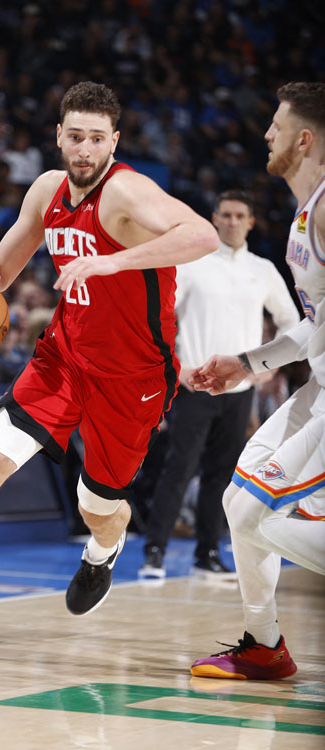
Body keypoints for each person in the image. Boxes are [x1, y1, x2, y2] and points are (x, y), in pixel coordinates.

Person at [0, 81, 218, 646]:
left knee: (98, 504)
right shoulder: (47, 191)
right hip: (63, 357)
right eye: (75, 136)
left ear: (114, 142)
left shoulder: (127, 192)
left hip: (132, 376)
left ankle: (103, 550)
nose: (85, 149)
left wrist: (112, 264)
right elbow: (2, 266)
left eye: (97, 139)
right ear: (58, 136)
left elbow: (202, 235)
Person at [190, 82, 325, 680]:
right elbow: (315, 324)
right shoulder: (306, 213)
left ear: (305, 139)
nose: (267, 134)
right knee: (236, 503)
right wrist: (249, 362)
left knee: (251, 514)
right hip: (316, 389)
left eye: (278, 125)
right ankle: (264, 645)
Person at [139, 190, 299, 580]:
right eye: (225, 215)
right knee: (179, 468)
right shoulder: (193, 263)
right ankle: (154, 551)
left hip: (240, 390)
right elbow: (158, 316)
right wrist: (176, 367)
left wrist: (264, 371)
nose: (232, 221)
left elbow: (292, 322)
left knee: (222, 474)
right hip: (194, 385)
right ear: (214, 219)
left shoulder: (263, 269)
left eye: (239, 215)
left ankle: (206, 553)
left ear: (250, 222)